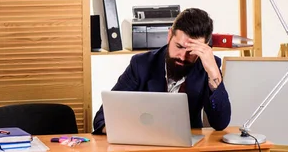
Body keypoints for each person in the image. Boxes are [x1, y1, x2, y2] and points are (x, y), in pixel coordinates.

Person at [92, 7, 231, 134]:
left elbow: (220, 123)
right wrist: (127, 132)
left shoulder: (207, 68)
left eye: (191, 51)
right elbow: (102, 118)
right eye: (179, 46)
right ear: (169, 35)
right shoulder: (141, 65)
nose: (182, 57)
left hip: (189, 146)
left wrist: (213, 73)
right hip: (146, 143)